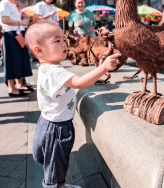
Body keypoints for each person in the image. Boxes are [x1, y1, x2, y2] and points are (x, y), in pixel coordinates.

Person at [25, 19, 120, 188]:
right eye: (57, 41)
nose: (64, 44)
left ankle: (57, 184)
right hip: (57, 128)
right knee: (56, 165)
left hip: (47, 122)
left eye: (63, 39)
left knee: (54, 162)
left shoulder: (46, 68)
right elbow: (80, 82)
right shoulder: (56, 71)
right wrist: (103, 68)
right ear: (38, 50)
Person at [0, 0, 32, 96]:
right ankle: (12, 88)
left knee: (18, 61)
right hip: (10, 35)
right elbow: (5, 20)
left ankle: (19, 84)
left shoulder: (12, 4)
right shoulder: (5, 3)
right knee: (11, 61)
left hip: (16, 34)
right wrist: (21, 23)